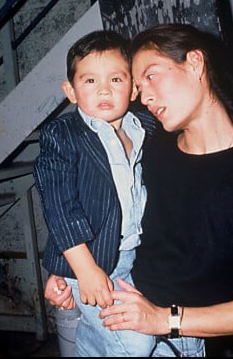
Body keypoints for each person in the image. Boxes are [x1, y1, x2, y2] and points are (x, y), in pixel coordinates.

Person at [44, 23, 233, 357]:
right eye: (138, 85)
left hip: (175, 340)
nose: (145, 95)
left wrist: (163, 320)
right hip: (116, 311)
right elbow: (86, 199)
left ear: (194, 63)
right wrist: (67, 268)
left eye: (151, 76)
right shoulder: (150, 145)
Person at [33, 30, 157, 356]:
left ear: (133, 87)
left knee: (101, 337)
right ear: (71, 91)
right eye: (90, 81)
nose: (104, 89)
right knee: (135, 342)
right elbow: (60, 207)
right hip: (89, 263)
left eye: (116, 79)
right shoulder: (63, 135)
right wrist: (83, 271)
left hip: (130, 257)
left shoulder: (143, 127)